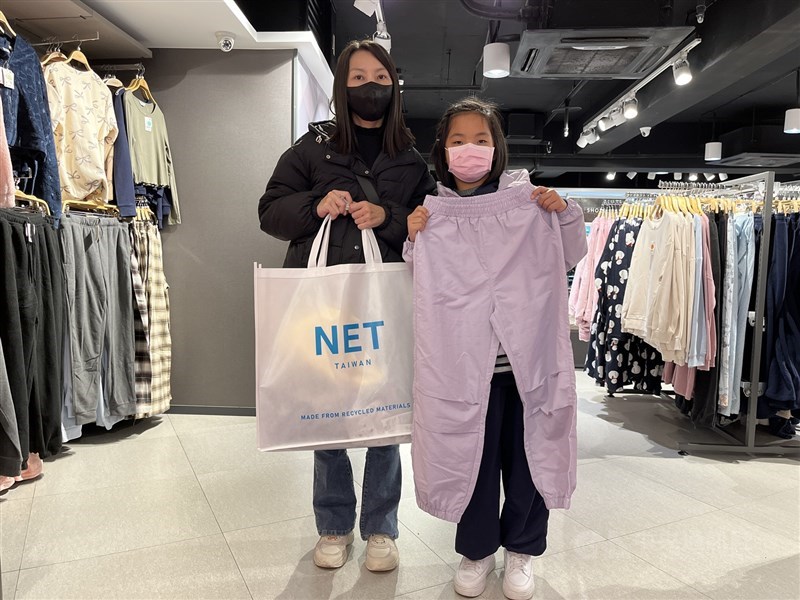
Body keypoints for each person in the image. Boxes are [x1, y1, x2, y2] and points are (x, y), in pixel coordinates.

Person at [258, 39, 435, 572]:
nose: (369, 86)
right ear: (341, 86)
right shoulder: (311, 148)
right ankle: (333, 525)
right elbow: (270, 211)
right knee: (325, 414)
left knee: (385, 412)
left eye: (378, 75)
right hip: (322, 303)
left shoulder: (411, 156)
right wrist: (316, 205)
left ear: (393, 83)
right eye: (356, 77)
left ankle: (381, 528)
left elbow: (433, 226)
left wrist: (390, 218)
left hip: (386, 300)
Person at [405, 98, 587, 600]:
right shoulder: (433, 211)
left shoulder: (530, 202)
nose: (470, 149)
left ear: (497, 147)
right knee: (473, 457)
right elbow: (422, 286)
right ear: (443, 151)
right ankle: (476, 549)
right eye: (458, 141)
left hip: (523, 366)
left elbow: (568, 257)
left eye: (481, 140)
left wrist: (564, 215)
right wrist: (415, 238)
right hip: (467, 370)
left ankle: (523, 549)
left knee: (529, 455)